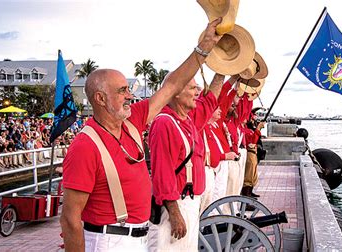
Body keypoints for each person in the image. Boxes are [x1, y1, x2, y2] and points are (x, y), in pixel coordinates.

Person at [60, 18, 223, 252]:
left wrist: (204, 48)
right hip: (108, 241)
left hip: (137, 238)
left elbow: (172, 85)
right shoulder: (85, 145)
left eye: (128, 89)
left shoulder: (132, 122)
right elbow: (70, 219)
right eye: (122, 91)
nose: (129, 95)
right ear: (100, 98)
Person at [148, 72, 226, 250]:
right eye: (192, 88)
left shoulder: (188, 119)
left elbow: (210, 100)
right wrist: (175, 213)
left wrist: (222, 69)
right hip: (176, 206)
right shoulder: (164, 123)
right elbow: (162, 173)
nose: (198, 92)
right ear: (175, 92)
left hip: (189, 204)